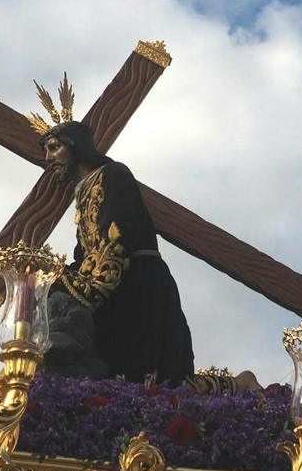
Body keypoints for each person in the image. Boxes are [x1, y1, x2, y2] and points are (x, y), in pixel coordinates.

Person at [40, 120, 196, 383]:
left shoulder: (113, 174)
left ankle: (237, 385)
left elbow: (114, 241)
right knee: (113, 373)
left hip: (137, 284)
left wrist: (74, 286)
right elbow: (84, 252)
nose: (49, 158)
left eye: (55, 148)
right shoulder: (83, 192)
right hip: (112, 292)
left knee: (151, 375)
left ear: (75, 146)